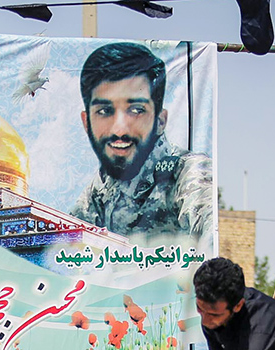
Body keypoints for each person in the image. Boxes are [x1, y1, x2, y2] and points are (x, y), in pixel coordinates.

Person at [69, 42, 213, 243]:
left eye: (136, 110)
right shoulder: (101, 187)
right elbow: (65, 246)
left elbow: (209, 226)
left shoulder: (188, 172)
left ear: (160, 121)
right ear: (87, 122)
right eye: (104, 111)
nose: (119, 130)